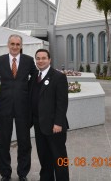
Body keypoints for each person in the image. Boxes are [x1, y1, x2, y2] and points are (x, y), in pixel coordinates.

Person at [0, 34, 37, 181]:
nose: (15, 47)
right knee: (3, 142)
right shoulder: (0, 60)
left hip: (24, 108)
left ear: (21, 46)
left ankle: (23, 173)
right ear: (8, 45)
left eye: (18, 44)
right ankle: (5, 173)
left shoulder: (29, 61)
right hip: (5, 107)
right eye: (12, 44)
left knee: (24, 142)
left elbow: (36, 79)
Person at [30, 49, 69, 180]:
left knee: (59, 159)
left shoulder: (58, 77)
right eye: (38, 58)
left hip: (54, 127)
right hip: (39, 126)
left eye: (43, 58)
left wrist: (58, 123)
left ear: (49, 60)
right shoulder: (35, 77)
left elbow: (62, 103)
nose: (40, 61)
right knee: (44, 159)